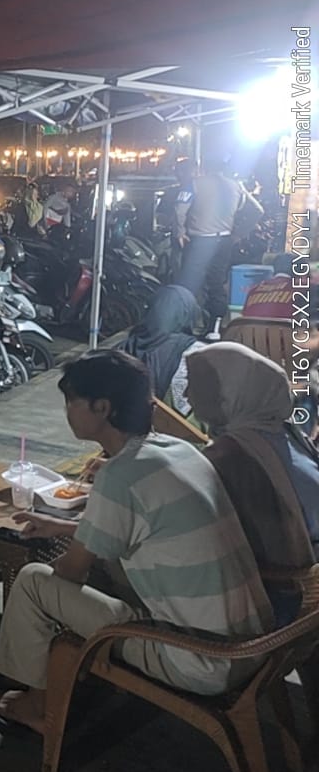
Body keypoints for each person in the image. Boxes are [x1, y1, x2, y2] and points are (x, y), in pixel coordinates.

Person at [0, 350, 271, 735]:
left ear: (102, 407)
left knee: (34, 582)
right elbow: (148, 527)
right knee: (106, 570)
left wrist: (64, 570)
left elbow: (70, 573)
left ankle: (38, 705)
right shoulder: (180, 451)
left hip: (200, 661)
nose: (67, 411)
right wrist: (65, 528)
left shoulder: (120, 475)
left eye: (71, 401)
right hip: (254, 643)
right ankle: (64, 668)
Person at [185, 342, 319, 622]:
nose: (186, 394)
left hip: (287, 597)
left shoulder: (232, 455)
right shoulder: (284, 431)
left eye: (196, 385)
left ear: (228, 392)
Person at [176, 159, 253, 320]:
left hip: (200, 241)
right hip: (224, 240)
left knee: (189, 283)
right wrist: (238, 234)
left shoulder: (194, 184)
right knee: (216, 282)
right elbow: (254, 210)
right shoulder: (236, 186)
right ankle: (216, 323)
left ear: (204, 168)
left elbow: (180, 209)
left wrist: (180, 232)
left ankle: (188, 321)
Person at [120, 285, 203, 415]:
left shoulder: (124, 347)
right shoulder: (196, 352)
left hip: (126, 419)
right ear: (187, 314)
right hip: (176, 424)